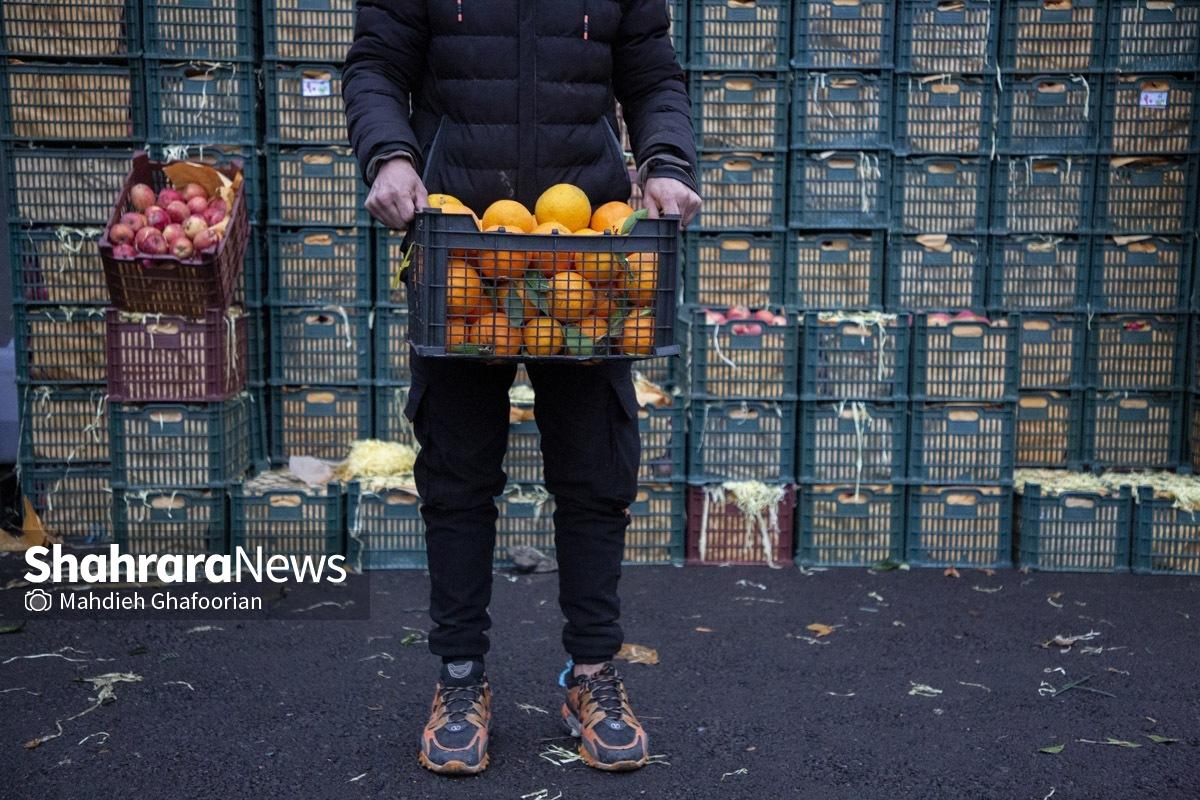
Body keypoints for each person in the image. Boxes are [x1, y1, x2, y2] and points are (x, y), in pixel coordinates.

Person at [343, 0, 700, 776]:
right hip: (459, 241)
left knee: (597, 468)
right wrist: (390, 155)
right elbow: (376, 66)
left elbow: (651, 74)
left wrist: (667, 161)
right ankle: (461, 678)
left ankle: (593, 674)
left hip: (588, 254)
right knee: (458, 472)